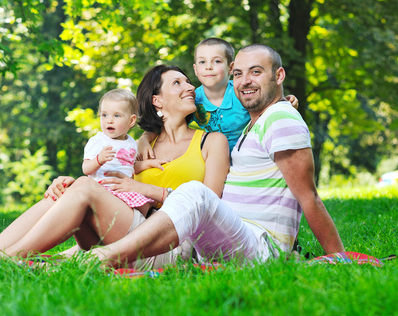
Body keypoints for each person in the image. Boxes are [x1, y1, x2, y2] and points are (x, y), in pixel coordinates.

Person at [0, 65, 230, 266]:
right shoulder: (142, 143)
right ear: (158, 101)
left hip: (169, 245)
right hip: (126, 229)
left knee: (83, 187)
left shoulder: (211, 141)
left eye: (188, 81)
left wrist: (147, 189)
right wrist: (68, 184)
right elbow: (110, 181)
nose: (190, 86)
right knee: (70, 187)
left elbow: (209, 205)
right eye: (178, 82)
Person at [90, 44, 345, 268]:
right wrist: (145, 136)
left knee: (196, 192)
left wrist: (338, 256)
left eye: (256, 72)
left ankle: (102, 259)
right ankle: (69, 260)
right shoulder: (253, 124)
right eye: (238, 74)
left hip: (262, 247)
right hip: (232, 234)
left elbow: (308, 196)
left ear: (278, 76)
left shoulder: (280, 117)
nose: (244, 81)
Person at [138, 37, 298, 157]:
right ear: (195, 69)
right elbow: (166, 124)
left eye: (216, 61)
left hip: (246, 156)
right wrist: (145, 138)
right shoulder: (192, 100)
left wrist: (284, 101)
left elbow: (265, 104)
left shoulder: (242, 93)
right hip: (210, 159)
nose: (208, 66)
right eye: (202, 62)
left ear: (231, 68)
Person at [81, 88, 152, 212]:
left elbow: (130, 166)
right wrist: (99, 160)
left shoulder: (130, 142)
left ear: (131, 120)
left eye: (117, 115)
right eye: (104, 115)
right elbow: (86, 168)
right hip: (103, 188)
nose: (109, 120)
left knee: (146, 206)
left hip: (123, 189)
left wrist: (149, 164)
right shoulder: (98, 140)